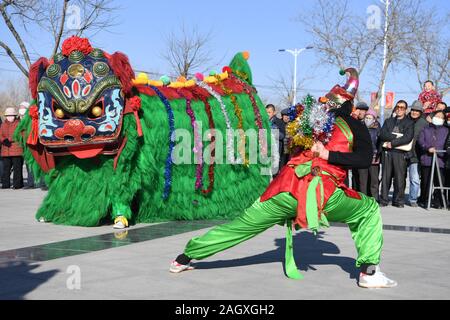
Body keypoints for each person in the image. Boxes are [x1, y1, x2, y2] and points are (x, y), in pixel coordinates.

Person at [170, 68, 397, 289]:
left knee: (240, 226)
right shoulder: (354, 124)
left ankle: (184, 257)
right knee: (368, 210)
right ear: (350, 106)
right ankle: (369, 272)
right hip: (320, 194)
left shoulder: (306, 123)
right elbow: (365, 159)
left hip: (283, 190)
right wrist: (330, 155)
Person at [379, 100, 414, 208]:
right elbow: (382, 134)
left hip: (400, 153)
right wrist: (396, 136)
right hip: (387, 153)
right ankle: (384, 200)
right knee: (386, 177)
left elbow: (408, 137)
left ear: (405, 110)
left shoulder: (409, 123)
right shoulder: (388, 121)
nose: (399, 109)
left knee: (400, 178)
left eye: (402, 107)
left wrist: (393, 143)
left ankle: (398, 201)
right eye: (398, 107)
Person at [417, 111, 448, 209]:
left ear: (443, 120)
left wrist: (443, 152)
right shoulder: (425, 129)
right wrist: (427, 147)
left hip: (440, 160)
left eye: (441, 117)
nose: (438, 118)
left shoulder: (446, 130)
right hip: (427, 159)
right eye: (436, 116)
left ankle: (438, 201)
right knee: (426, 181)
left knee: (439, 181)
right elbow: (420, 140)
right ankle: (425, 200)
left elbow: (447, 143)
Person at [355, 108, 380, 201]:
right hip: (362, 156)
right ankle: (363, 199)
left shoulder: (377, 128)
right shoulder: (359, 127)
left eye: (370, 118)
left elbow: (380, 141)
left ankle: (374, 199)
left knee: (374, 180)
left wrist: (378, 152)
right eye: (366, 118)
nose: (367, 120)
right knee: (362, 180)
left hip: (374, 157)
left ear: (374, 119)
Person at [406, 100, 428, 207]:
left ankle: (413, 199)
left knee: (414, 178)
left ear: (421, 112)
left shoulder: (424, 123)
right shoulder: (405, 120)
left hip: (415, 155)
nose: (414, 112)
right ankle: (399, 197)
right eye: (413, 110)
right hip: (402, 153)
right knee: (399, 178)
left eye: (417, 111)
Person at [1, 107, 24, 189]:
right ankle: (5, 184)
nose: (10, 117)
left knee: (17, 169)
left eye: (11, 115)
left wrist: (10, 139)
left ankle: (17, 184)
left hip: (17, 150)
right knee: (5, 169)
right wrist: (3, 140)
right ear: (5, 116)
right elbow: (0, 135)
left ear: (15, 116)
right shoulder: (3, 125)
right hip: (5, 151)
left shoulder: (19, 124)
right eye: (8, 116)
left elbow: (22, 135)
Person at [351, 102, 370, 190]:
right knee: (355, 178)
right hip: (354, 154)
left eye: (364, 110)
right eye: (360, 110)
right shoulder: (352, 121)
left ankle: (363, 199)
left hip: (363, 154)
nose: (362, 112)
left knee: (363, 180)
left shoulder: (368, 123)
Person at [18, 101, 35, 189]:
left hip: (32, 145)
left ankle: (42, 183)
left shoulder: (31, 120)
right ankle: (30, 183)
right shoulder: (19, 121)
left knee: (36, 165)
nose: (21, 115)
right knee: (28, 165)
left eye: (23, 108)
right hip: (24, 146)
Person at [266, 104, 286, 174]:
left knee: (274, 172)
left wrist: (272, 132)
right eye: (266, 112)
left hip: (276, 150)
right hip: (266, 150)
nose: (267, 114)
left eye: (269, 112)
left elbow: (283, 135)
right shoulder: (263, 122)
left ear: (274, 112)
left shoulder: (279, 122)